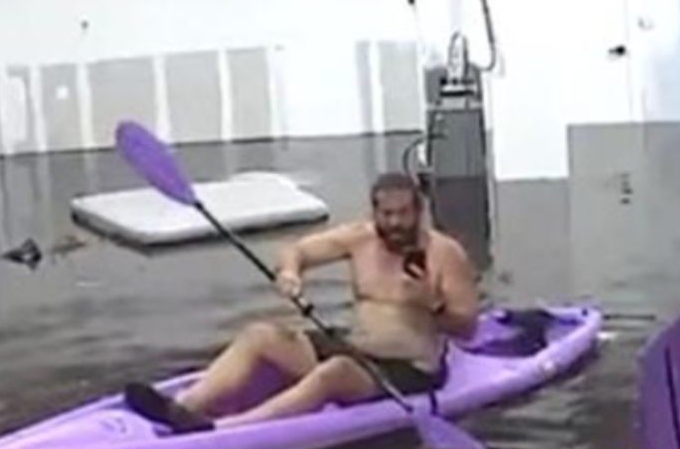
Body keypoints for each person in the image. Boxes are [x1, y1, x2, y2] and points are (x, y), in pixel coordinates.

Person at [124, 172, 480, 434]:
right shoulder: (360, 239)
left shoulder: (444, 254)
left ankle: (223, 429)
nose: (395, 223)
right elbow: (297, 250)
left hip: (411, 369)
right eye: (387, 214)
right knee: (260, 334)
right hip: (356, 346)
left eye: (404, 214)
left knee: (334, 373)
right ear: (374, 213)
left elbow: (467, 326)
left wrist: (429, 306)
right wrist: (291, 273)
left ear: (419, 211)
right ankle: (182, 407)